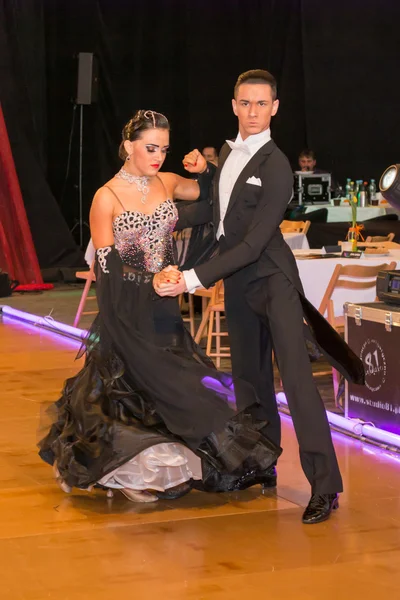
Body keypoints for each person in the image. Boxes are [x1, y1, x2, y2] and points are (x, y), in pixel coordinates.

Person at [38, 109, 281, 503]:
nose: (158, 158)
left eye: (164, 150)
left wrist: (205, 169)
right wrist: (147, 279)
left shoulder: (167, 182)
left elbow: (217, 196)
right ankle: (119, 468)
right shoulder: (106, 197)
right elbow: (107, 265)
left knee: (171, 384)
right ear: (128, 145)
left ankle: (146, 467)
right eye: (150, 148)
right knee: (129, 384)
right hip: (127, 304)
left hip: (165, 305)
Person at [154, 70, 364, 524]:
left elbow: (252, 242)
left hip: (271, 279)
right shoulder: (228, 153)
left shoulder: (277, 165)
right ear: (234, 105)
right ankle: (259, 463)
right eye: (244, 103)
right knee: (249, 380)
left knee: (298, 385)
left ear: (275, 108)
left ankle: (325, 486)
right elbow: (218, 210)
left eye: (260, 104)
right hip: (237, 281)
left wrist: (192, 278)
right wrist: (165, 218)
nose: (252, 112)